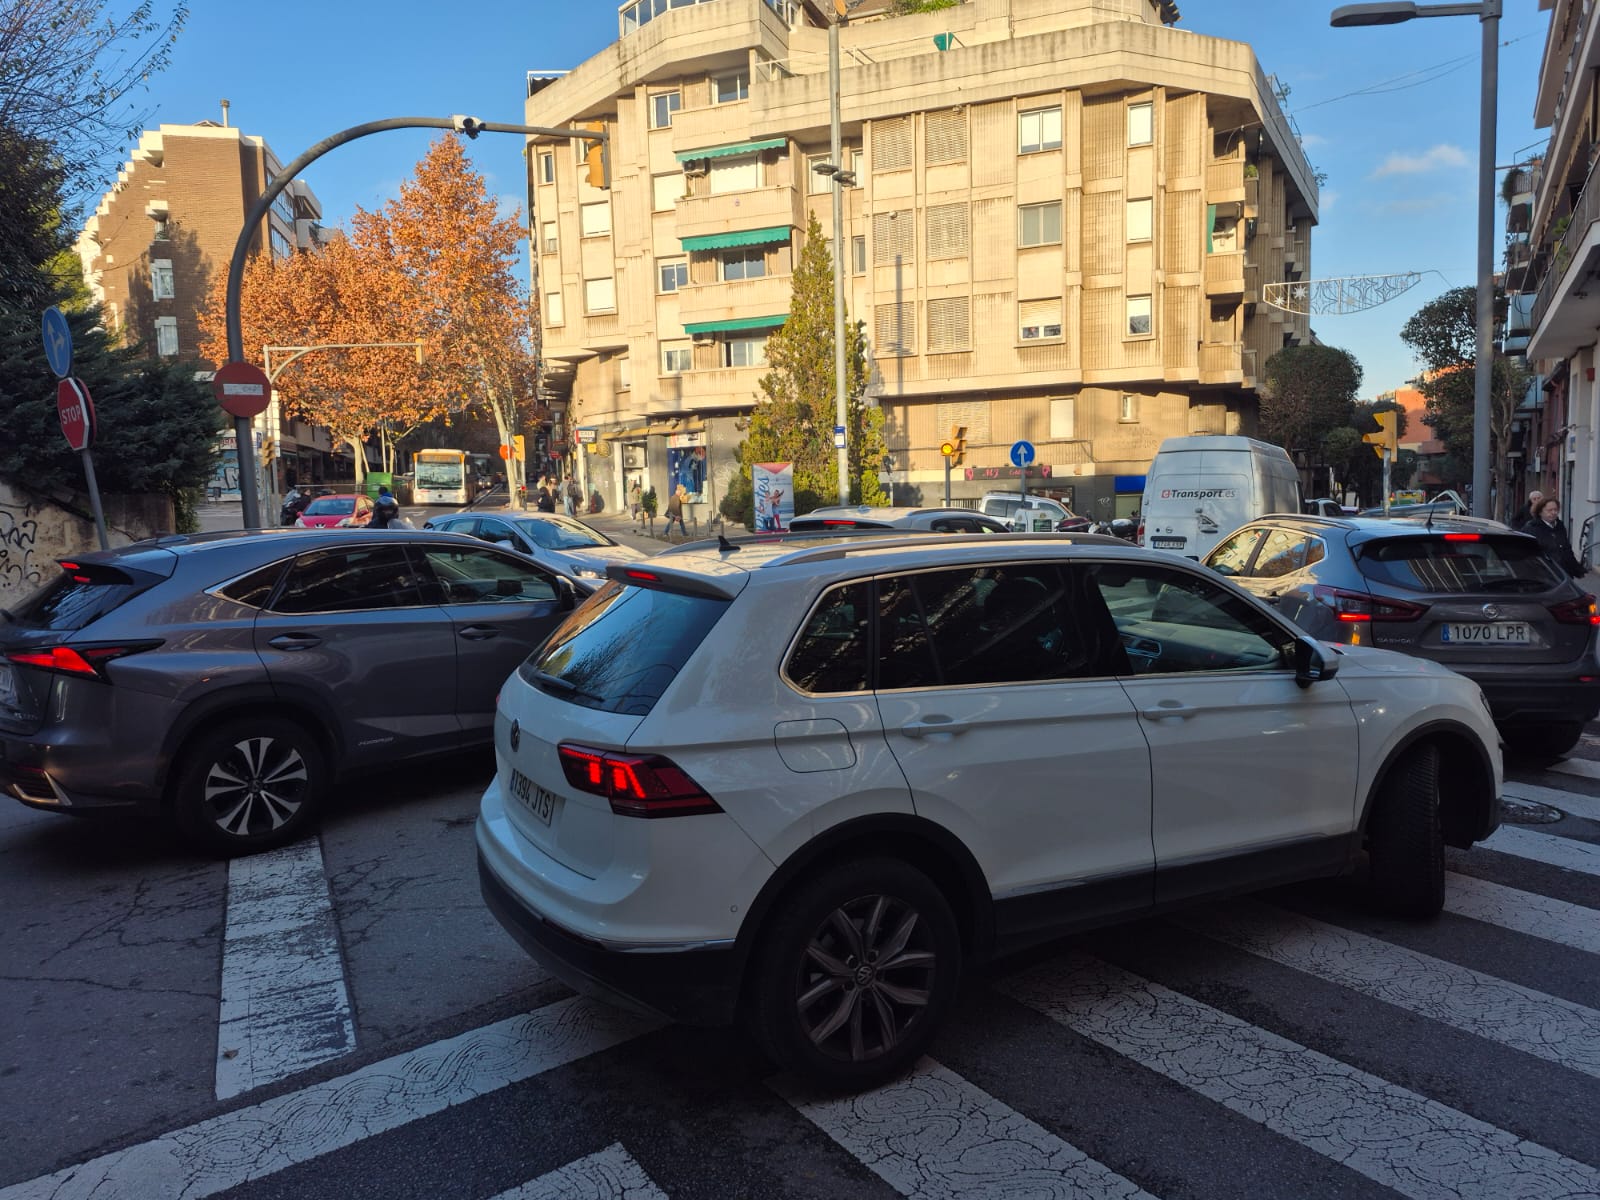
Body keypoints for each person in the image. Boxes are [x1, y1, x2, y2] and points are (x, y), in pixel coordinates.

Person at [1523, 497, 1583, 578]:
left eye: (1555, 510)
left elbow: (1566, 548)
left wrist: (1576, 569)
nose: (1553, 512)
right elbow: (1527, 554)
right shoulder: (1531, 528)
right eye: (1549, 510)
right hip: (1544, 575)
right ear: (1540, 512)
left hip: (1563, 574)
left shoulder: (1560, 526)